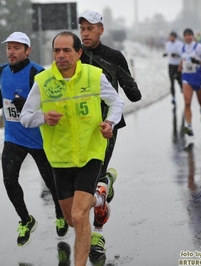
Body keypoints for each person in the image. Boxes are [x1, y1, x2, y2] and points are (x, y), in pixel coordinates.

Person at [20, 31, 124, 266]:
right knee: (70, 219)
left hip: (90, 153)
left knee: (79, 215)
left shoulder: (93, 75)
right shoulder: (43, 81)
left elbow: (116, 102)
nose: (61, 55)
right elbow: (25, 117)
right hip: (60, 158)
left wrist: (110, 122)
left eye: (67, 50)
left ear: (78, 53)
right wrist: (43, 117)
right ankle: (100, 196)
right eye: (57, 50)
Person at [0, 32, 68, 246]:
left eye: (17, 48)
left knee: (51, 182)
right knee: (9, 180)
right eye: (9, 48)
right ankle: (26, 220)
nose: (11, 52)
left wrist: (30, 107)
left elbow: (53, 104)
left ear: (27, 50)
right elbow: (4, 91)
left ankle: (60, 214)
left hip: (39, 138)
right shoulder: (2, 70)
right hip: (13, 137)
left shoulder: (37, 73)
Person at [77, 10, 141, 259]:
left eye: (90, 28)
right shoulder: (74, 55)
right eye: (82, 28)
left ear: (101, 30)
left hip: (107, 126)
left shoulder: (113, 57)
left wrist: (131, 88)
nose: (85, 33)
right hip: (79, 128)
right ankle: (107, 182)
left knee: (92, 180)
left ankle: (97, 234)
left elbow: (130, 88)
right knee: (83, 183)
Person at [178, 28, 201, 136]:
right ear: (184, 37)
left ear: (192, 36)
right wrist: (180, 67)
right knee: (187, 102)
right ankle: (190, 126)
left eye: (189, 35)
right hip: (187, 77)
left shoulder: (199, 47)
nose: (187, 37)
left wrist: (197, 61)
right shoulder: (182, 48)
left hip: (198, 77)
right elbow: (182, 59)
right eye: (185, 35)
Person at [163, 31, 183, 105]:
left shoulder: (180, 44)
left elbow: (182, 54)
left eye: (172, 37)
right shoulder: (167, 43)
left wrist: (176, 55)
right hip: (171, 65)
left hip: (178, 66)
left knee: (180, 81)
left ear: (175, 37)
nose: (171, 38)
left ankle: (183, 92)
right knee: (172, 82)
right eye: (170, 37)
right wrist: (166, 54)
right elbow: (168, 52)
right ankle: (173, 97)